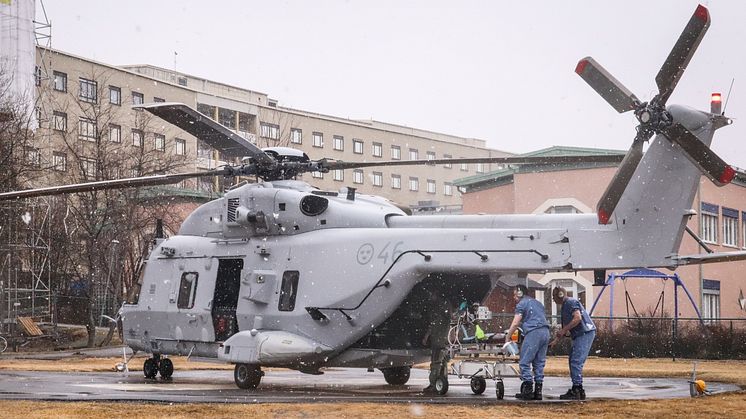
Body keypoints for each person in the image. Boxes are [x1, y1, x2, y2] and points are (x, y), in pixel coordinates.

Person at [549, 286, 597, 400]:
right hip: (581, 334)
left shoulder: (570, 302)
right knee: (573, 361)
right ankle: (577, 387)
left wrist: (564, 330)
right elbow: (565, 329)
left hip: (584, 333)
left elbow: (577, 318)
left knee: (576, 361)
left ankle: (577, 389)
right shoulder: (566, 306)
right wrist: (555, 341)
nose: (553, 299)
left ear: (560, 295)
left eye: (554, 296)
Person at [505, 284, 550, 400]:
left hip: (533, 332)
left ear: (519, 293)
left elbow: (515, 323)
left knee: (524, 361)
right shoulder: (537, 303)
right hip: (545, 332)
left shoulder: (522, 304)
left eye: (515, 295)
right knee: (539, 362)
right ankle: (538, 390)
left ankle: (528, 388)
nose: (514, 297)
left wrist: (508, 336)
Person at [421, 286, 452, 394]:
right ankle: (441, 382)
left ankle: (434, 384)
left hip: (438, 342)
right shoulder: (446, 310)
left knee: (435, 363)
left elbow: (432, 325)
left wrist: (426, 337)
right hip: (444, 340)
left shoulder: (438, 310)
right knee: (442, 363)